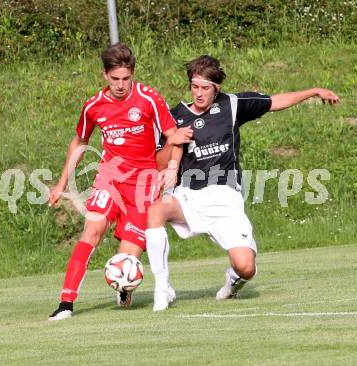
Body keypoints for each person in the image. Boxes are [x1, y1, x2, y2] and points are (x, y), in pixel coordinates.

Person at [146, 55, 340, 311]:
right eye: (195, 87)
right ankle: (163, 288)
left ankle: (233, 280)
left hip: (225, 198)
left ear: (217, 88)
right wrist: (172, 141)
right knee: (156, 210)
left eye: (206, 88)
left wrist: (313, 91)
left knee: (246, 267)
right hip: (188, 196)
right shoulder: (174, 117)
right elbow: (159, 162)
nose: (199, 93)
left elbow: (274, 102)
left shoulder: (232, 105)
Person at [48, 43, 192, 320]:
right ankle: (66, 304)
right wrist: (61, 183)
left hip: (143, 186)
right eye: (115, 79)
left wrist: (172, 167)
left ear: (132, 74)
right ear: (105, 75)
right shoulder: (93, 106)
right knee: (92, 231)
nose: (121, 85)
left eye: (126, 78)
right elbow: (79, 141)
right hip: (110, 179)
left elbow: (174, 136)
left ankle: (124, 289)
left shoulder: (149, 98)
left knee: (125, 270)